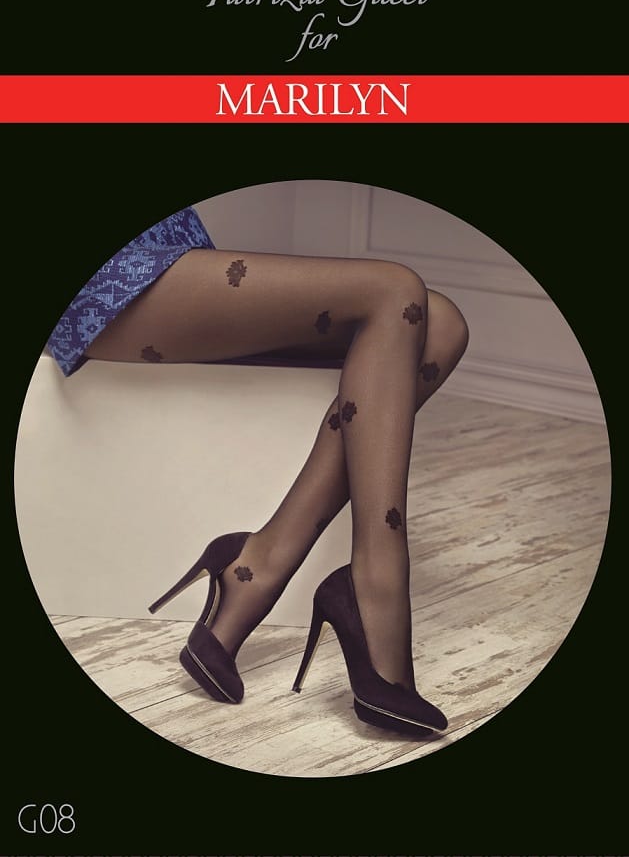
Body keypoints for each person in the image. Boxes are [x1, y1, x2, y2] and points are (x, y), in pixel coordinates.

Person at [47, 203, 469, 736]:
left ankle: (260, 564)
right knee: (394, 288)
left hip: (173, 251)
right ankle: (374, 583)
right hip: (109, 282)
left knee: (441, 324)